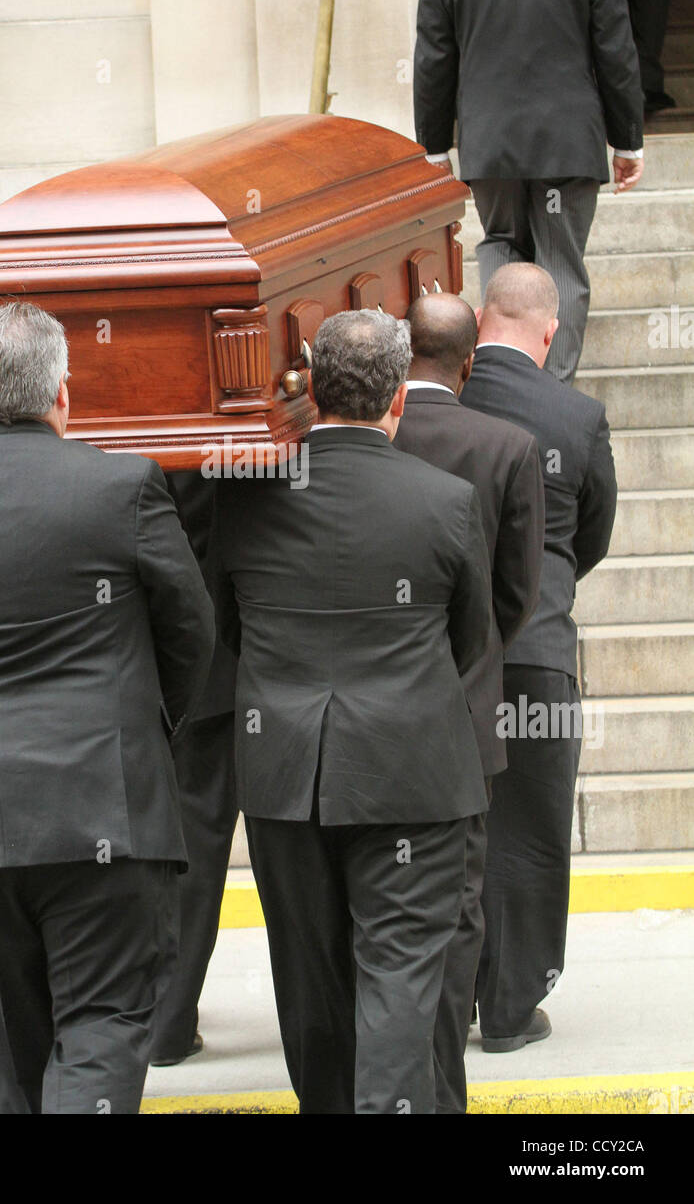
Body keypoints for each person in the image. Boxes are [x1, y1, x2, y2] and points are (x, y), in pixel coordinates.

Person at [0, 302, 214, 1114]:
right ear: (63, 394)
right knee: (101, 1030)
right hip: (102, 801)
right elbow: (191, 634)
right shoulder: (122, 486)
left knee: (16, 1064)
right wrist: (141, 727)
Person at [216, 309, 493, 1114]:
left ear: (312, 392)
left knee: (311, 983)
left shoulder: (245, 502)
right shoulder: (446, 501)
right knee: (403, 978)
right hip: (412, 774)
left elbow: (223, 627)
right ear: (398, 399)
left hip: (286, 777)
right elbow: (471, 637)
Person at [414, 0, 644, 382]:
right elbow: (617, 53)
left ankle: (502, 385)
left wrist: (433, 147)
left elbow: (433, 62)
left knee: (499, 249)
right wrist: (627, 140)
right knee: (561, 262)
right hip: (568, 143)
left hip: (489, 146)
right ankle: (553, 390)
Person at [460, 263, 617, 1052]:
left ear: (483, 317)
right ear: (550, 334)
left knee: (459, 830)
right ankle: (514, 1007)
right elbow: (592, 536)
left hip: (447, 660)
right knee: (531, 832)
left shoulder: (439, 402)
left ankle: (452, 1000)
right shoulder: (576, 415)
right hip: (539, 653)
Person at [393, 293, 544, 1112]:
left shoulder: (349, 441)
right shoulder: (509, 446)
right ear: (472, 363)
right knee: (454, 917)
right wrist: (475, 653)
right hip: (464, 714)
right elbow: (516, 591)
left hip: (364, 718)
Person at [149, 473, 238, 1067]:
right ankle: (168, 1021)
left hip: (163, 668)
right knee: (196, 854)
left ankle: (166, 1020)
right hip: (222, 673)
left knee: (184, 858)